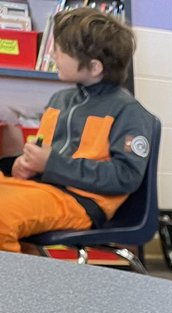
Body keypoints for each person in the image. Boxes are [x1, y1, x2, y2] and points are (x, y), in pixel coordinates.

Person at [0, 7, 153, 254]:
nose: (52, 53)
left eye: (60, 51)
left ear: (94, 67)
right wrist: (23, 164)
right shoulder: (60, 100)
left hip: (82, 201)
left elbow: (125, 176)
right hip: (43, 189)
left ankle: (16, 290)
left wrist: (50, 164)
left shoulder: (128, 112)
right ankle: (34, 279)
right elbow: (44, 154)